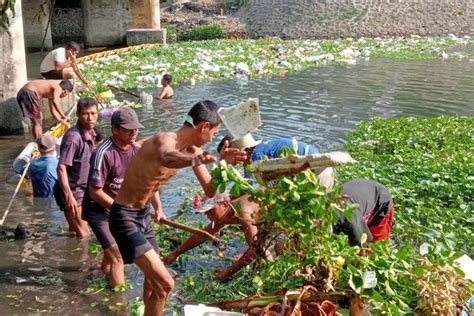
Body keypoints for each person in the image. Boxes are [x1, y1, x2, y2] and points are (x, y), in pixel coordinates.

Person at [110, 100, 246, 315]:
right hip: (124, 217)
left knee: (154, 286)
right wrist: (196, 159)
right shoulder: (165, 140)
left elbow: (210, 190)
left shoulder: (192, 150)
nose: (212, 138)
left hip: (143, 216)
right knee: (166, 283)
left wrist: (223, 164)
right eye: (213, 133)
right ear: (204, 127)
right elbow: (167, 157)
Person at [163, 134, 335, 281]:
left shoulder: (257, 157)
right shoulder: (230, 207)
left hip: (316, 172)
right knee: (271, 237)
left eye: (210, 212)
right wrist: (175, 253)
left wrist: (227, 273)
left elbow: (255, 246)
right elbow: (204, 234)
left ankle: (296, 264)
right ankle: (274, 261)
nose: (209, 218)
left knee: (299, 232)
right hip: (306, 174)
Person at [82, 108, 144, 287]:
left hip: (118, 209)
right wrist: (122, 210)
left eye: (136, 129)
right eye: (128, 129)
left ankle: (100, 278)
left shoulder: (136, 150)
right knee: (118, 254)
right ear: (115, 129)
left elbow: (143, 181)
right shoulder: (103, 153)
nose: (133, 133)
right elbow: (95, 192)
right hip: (99, 210)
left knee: (112, 252)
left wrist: (150, 207)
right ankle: (118, 303)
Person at [55, 97, 98, 239]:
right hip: (72, 190)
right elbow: (61, 167)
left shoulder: (92, 133)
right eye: (86, 114)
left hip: (83, 189)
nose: (90, 118)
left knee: (75, 232)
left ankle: (69, 255)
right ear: (78, 115)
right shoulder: (73, 138)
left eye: (93, 113)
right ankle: (84, 262)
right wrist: (69, 196)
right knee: (85, 234)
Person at [334, 178, 395, 246]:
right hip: (359, 193)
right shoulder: (324, 207)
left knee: (375, 246)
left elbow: (363, 241)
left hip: (381, 200)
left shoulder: (348, 218)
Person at [29, 134, 59, 198]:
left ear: (39, 149)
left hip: (38, 198)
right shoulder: (57, 163)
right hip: (55, 202)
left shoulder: (32, 164)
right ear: (54, 147)